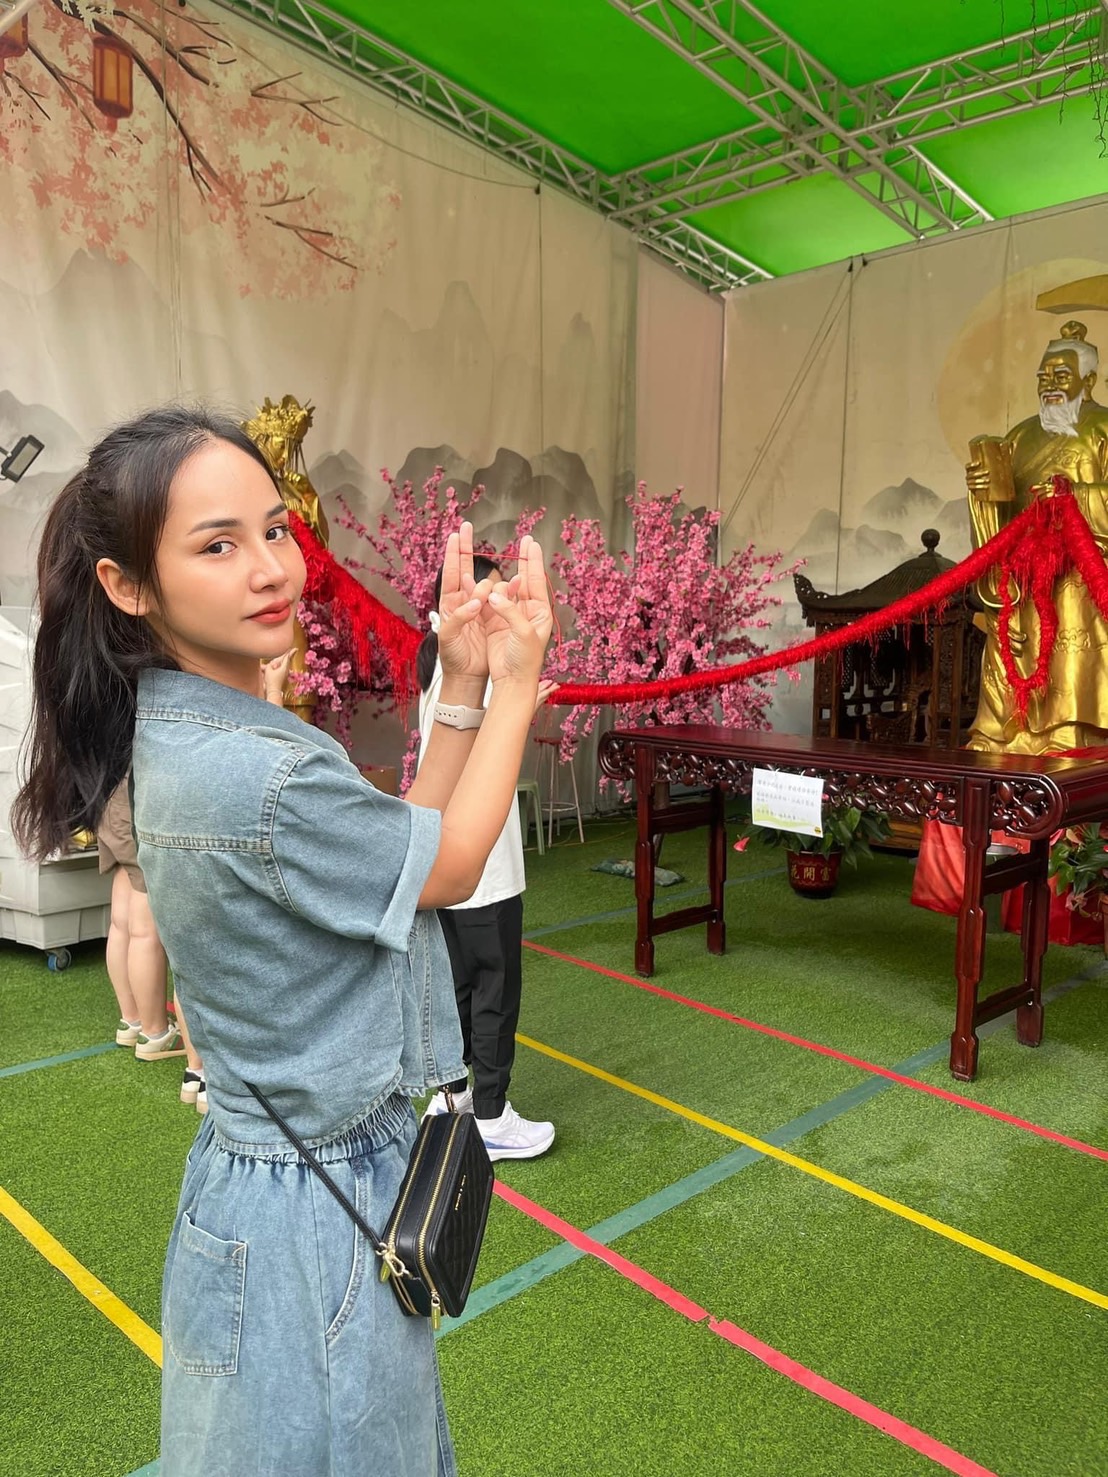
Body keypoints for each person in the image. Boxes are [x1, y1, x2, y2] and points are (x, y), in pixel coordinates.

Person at [12, 404, 552, 1477]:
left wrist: (459, 682)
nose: (269, 568)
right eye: (216, 546)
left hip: (260, 1183)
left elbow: (403, 856)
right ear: (128, 584)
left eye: (273, 529)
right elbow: (451, 869)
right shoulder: (256, 770)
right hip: (316, 1211)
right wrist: (519, 681)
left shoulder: (186, 731)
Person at [417, 559, 556, 1160]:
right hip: (483, 872)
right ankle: (492, 1114)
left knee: (458, 989)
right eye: (490, 592)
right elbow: (474, 763)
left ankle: (452, 1098)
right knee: (493, 992)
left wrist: (515, 697)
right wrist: (515, 700)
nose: (501, 603)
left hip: (451, 867)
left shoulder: (442, 668)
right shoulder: (468, 674)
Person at [965, 319, 1108, 754]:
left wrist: (1074, 497)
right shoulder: (1019, 436)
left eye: (1061, 375)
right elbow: (1002, 512)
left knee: (1073, 602)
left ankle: (1070, 732)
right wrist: (983, 492)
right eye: (1043, 376)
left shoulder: (1103, 429)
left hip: (1084, 568)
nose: (1049, 385)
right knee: (1007, 627)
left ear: (1089, 380)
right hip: (1022, 572)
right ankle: (1004, 734)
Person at [97, 773, 182, 1061]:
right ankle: (155, 1032)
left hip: (111, 799)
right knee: (145, 933)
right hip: (137, 800)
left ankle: (132, 1021)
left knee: (121, 924)